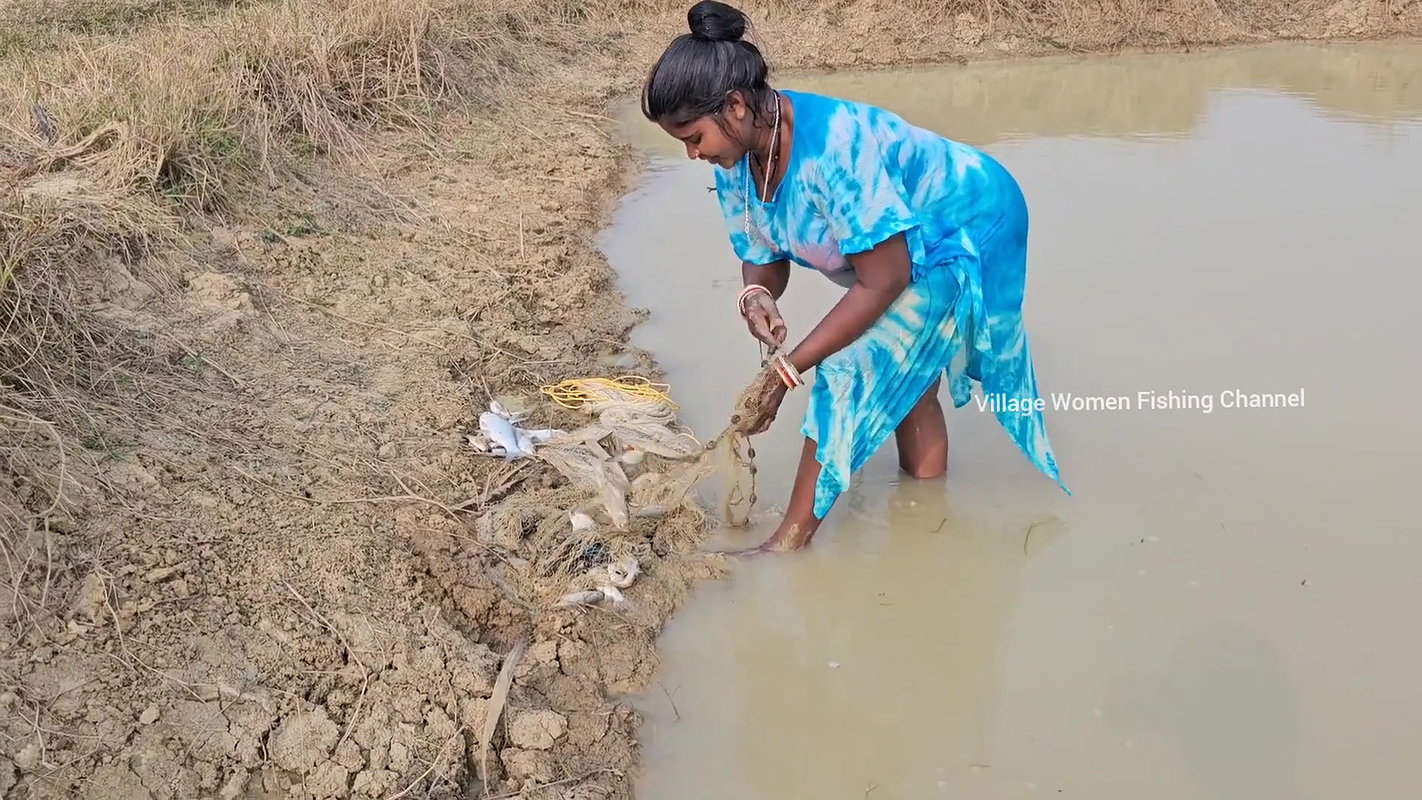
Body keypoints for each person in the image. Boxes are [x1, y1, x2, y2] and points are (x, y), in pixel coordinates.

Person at [641, 0, 1069, 552]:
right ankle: (923, 520)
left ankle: (790, 542)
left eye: (694, 138)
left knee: (850, 369)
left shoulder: (836, 150)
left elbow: (884, 279)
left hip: (965, 226)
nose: (693, 154)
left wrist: (788, 370)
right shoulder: (737, 158)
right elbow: (763, 249)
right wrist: (756, 293)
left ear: (735, 106)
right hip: (897, 256)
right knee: (907, 377)